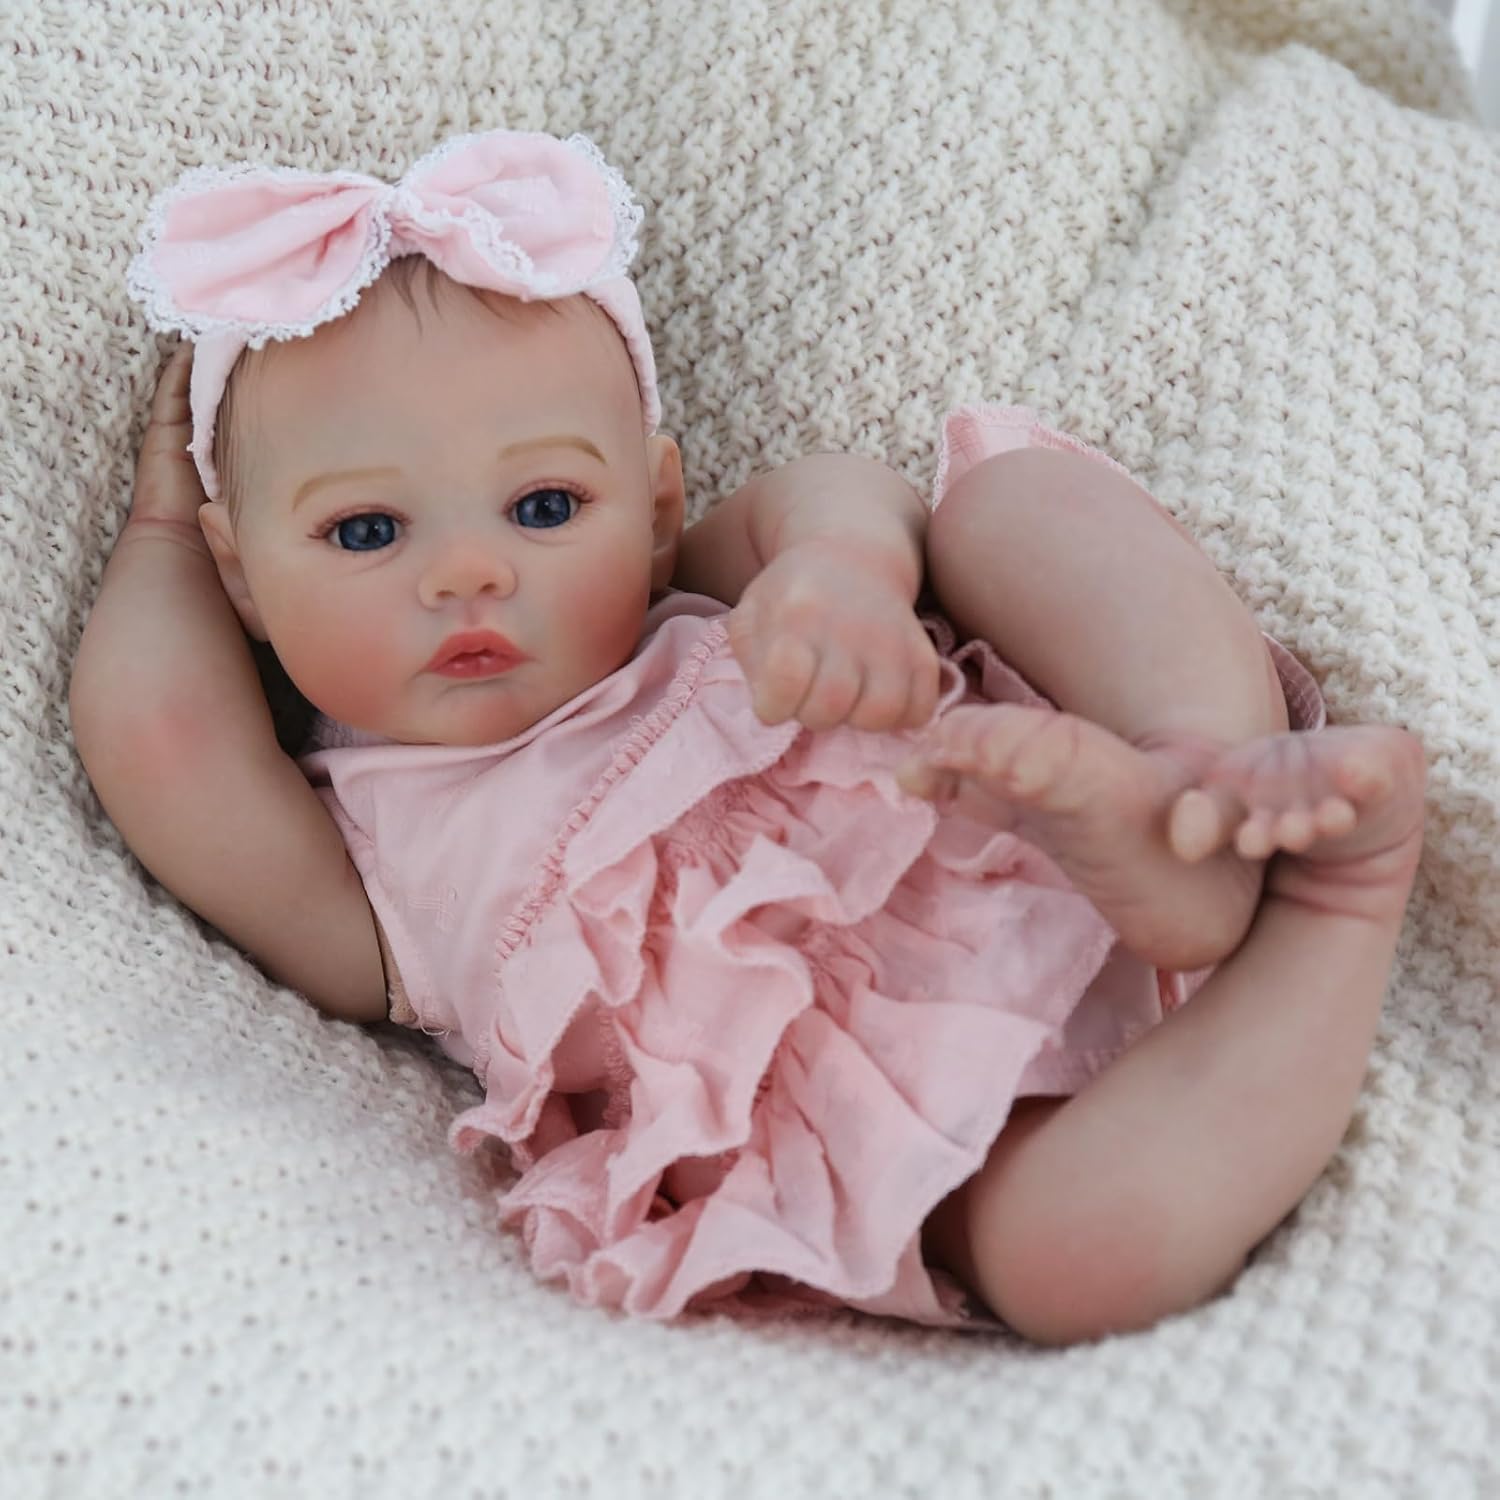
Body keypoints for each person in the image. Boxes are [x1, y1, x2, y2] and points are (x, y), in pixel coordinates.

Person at [71, 129, 1426, 1345]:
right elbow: (164, 735)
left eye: (545, 507)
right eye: (367, 530)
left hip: (1012, 789)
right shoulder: (367, 883)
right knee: (1066, 1261)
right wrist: (163, 528)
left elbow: (833, 489)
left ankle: (1196, 776)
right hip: (912, 1123)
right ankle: (1333, 908)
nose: (471, 572)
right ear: (244, 580)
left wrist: (840, 569)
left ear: (657, 510)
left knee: (1007, 505)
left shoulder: (680, 603)